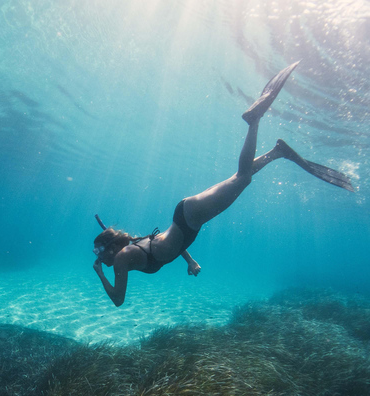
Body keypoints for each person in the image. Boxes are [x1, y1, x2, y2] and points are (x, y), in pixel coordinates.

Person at [92, 61, 354, 307]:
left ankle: (254, 121)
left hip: (189, 219)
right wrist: (191, 260)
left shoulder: (122, 258)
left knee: (243, 178)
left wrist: (100, 273)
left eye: (99, 252)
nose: (98, 257)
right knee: (239, 177)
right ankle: (277, 152)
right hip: (187, 215)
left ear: (110, 248)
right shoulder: (132, 245)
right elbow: (168, 245)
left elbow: (118, 300)